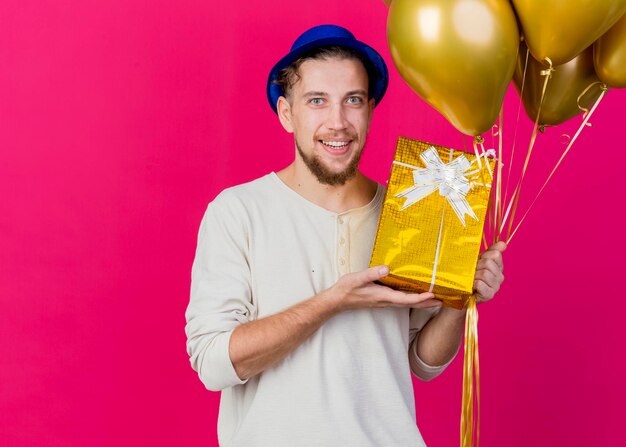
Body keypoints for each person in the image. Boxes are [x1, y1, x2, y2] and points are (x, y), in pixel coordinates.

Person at [185, 24, 506, 447]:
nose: (337, 122)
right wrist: (333, 301)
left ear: (370, 110)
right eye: (317, 101)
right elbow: (213, 363)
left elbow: (421, 363)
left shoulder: (412, 208)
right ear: (287, 113)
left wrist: (459, 300)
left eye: (352, 100)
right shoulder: (237, 212)